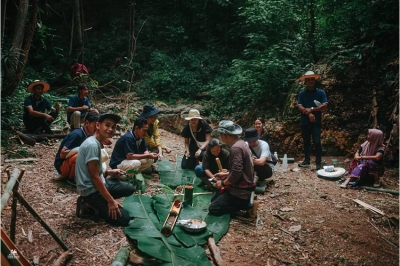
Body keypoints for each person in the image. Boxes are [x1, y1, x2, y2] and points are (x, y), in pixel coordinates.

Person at [75, 113, 135, 226]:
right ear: (98, 125)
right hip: (90, 190)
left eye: (113, 127)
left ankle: (97, 203)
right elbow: (94, 177)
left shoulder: (96, 142)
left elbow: (93, 172)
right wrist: (111, 200)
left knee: (129, 188)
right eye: (107, 125)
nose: (110, 129)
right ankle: (88, 203)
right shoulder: (92, 145)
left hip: (99, 183)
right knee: (124, 219)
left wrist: (109, 172)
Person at [208, 120, 255, 215]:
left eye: (221, 135)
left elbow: (237, 173)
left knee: (214, 209)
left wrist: (223, 183)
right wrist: (226, 174)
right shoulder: (242, 143)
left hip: (241, 191)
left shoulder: (235, 148)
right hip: (243, 185)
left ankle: (244, 205)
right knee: (214, 199)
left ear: (224, 135)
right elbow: (239, 170)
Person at [54, 112, 99, 181]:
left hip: (70, 163)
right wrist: (80, 150)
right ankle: (72, 178)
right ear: (87, 123)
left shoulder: (89, 135)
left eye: (98, 126)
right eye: (94, 126)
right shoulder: (77, 134)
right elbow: (62, 154)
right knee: (80, 155)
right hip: (62, 165)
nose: (96, 128)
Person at [297, 71, 328, 170]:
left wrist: (312, 109)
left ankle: (318, 163)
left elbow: (324, 105)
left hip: (316, 122)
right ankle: (307, 161)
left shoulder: (320, 92)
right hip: (305, 121)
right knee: (306, 142)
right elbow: (299, 106)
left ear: (315, 81)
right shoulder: (302, 93)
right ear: (305, 82)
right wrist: (309, 113)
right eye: (308, 79)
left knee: (317, 141)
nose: (310, 81)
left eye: (312, 79)